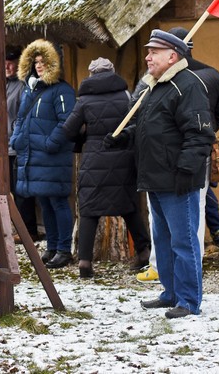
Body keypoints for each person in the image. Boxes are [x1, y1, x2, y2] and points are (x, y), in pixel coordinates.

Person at [104, 29, 214, 319]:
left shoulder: (188, 85)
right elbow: (147, 128)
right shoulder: (154, 86)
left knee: (183, 241)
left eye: (154, 52)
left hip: (177, 180)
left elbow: (199, 134)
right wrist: (124, 137)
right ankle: (170, 293)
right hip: (155, 178)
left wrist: (186, 170)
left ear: (172, 56)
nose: (148, 57)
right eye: (148, 52)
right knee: (163, 241)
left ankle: (188, 300)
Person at [63, 57, 150, 278]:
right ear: (112, 72)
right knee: (129, 207)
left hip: (94, 159)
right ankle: (143, 252)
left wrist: (85, 137)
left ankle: (85, 262)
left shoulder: (84, 100)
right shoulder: (126, 95)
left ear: (91, 75)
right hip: (123, 158)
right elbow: (136, 124)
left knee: (89, 211)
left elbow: (68, 130)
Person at [169, 27, 219, 246]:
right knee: (201, 191)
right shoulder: (212, 74)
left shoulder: (166, 79)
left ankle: (186, 248)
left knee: (180, 197)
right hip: (201, 145)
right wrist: (208, 130)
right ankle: (212, 234)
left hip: (171, 147)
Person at [10, 39, 76, 269]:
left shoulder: (62, 91)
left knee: (58, 201)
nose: (39, 66)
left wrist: (50, 143)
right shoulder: (31, 89)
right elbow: (21, 118)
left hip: (52, 156)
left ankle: (64, 249)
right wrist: (16, 140)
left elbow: (67, 122)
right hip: (34, 156)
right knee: (44, 201)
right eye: (36, 62)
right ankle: (52, 246)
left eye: (43, 62)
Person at [5, 45, 37, 242]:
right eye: (4, 63)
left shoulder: (24, 85)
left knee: (22, 190)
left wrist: (18, 138)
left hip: (18, 146)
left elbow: (23, 115)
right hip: (3, 147)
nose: (7, 67)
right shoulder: (2, 84)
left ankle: (28, 230)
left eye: (11, 63)